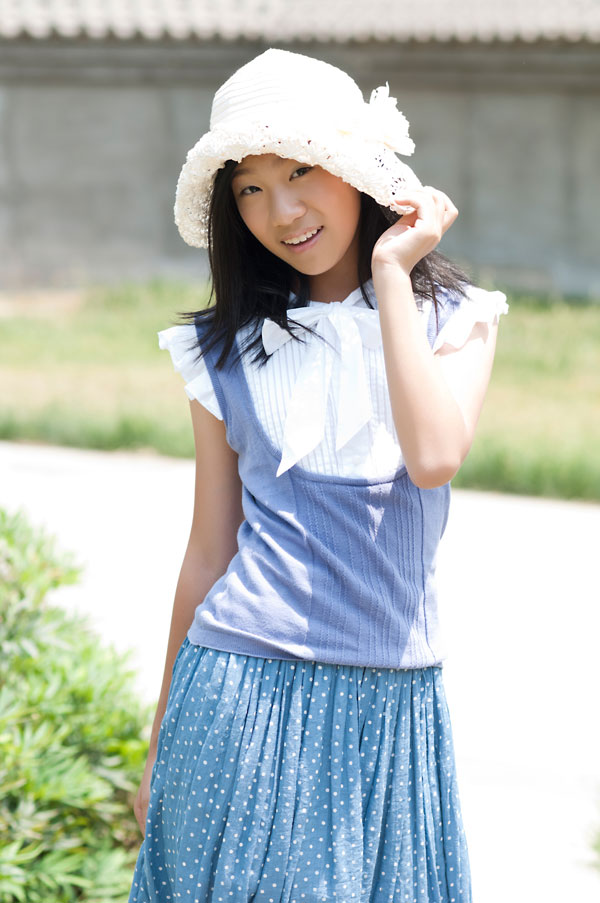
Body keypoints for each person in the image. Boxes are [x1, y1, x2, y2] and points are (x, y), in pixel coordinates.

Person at [128, 48, 509, 903]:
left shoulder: (456, 318)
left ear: (357, 171)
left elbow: (434, 456)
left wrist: (390, 274)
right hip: (237, 696)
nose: (281, 211)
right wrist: (158, 743)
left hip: (393, 713)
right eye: (250, 189)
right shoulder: (222, 350)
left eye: (300, 170)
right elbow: (208, 553)